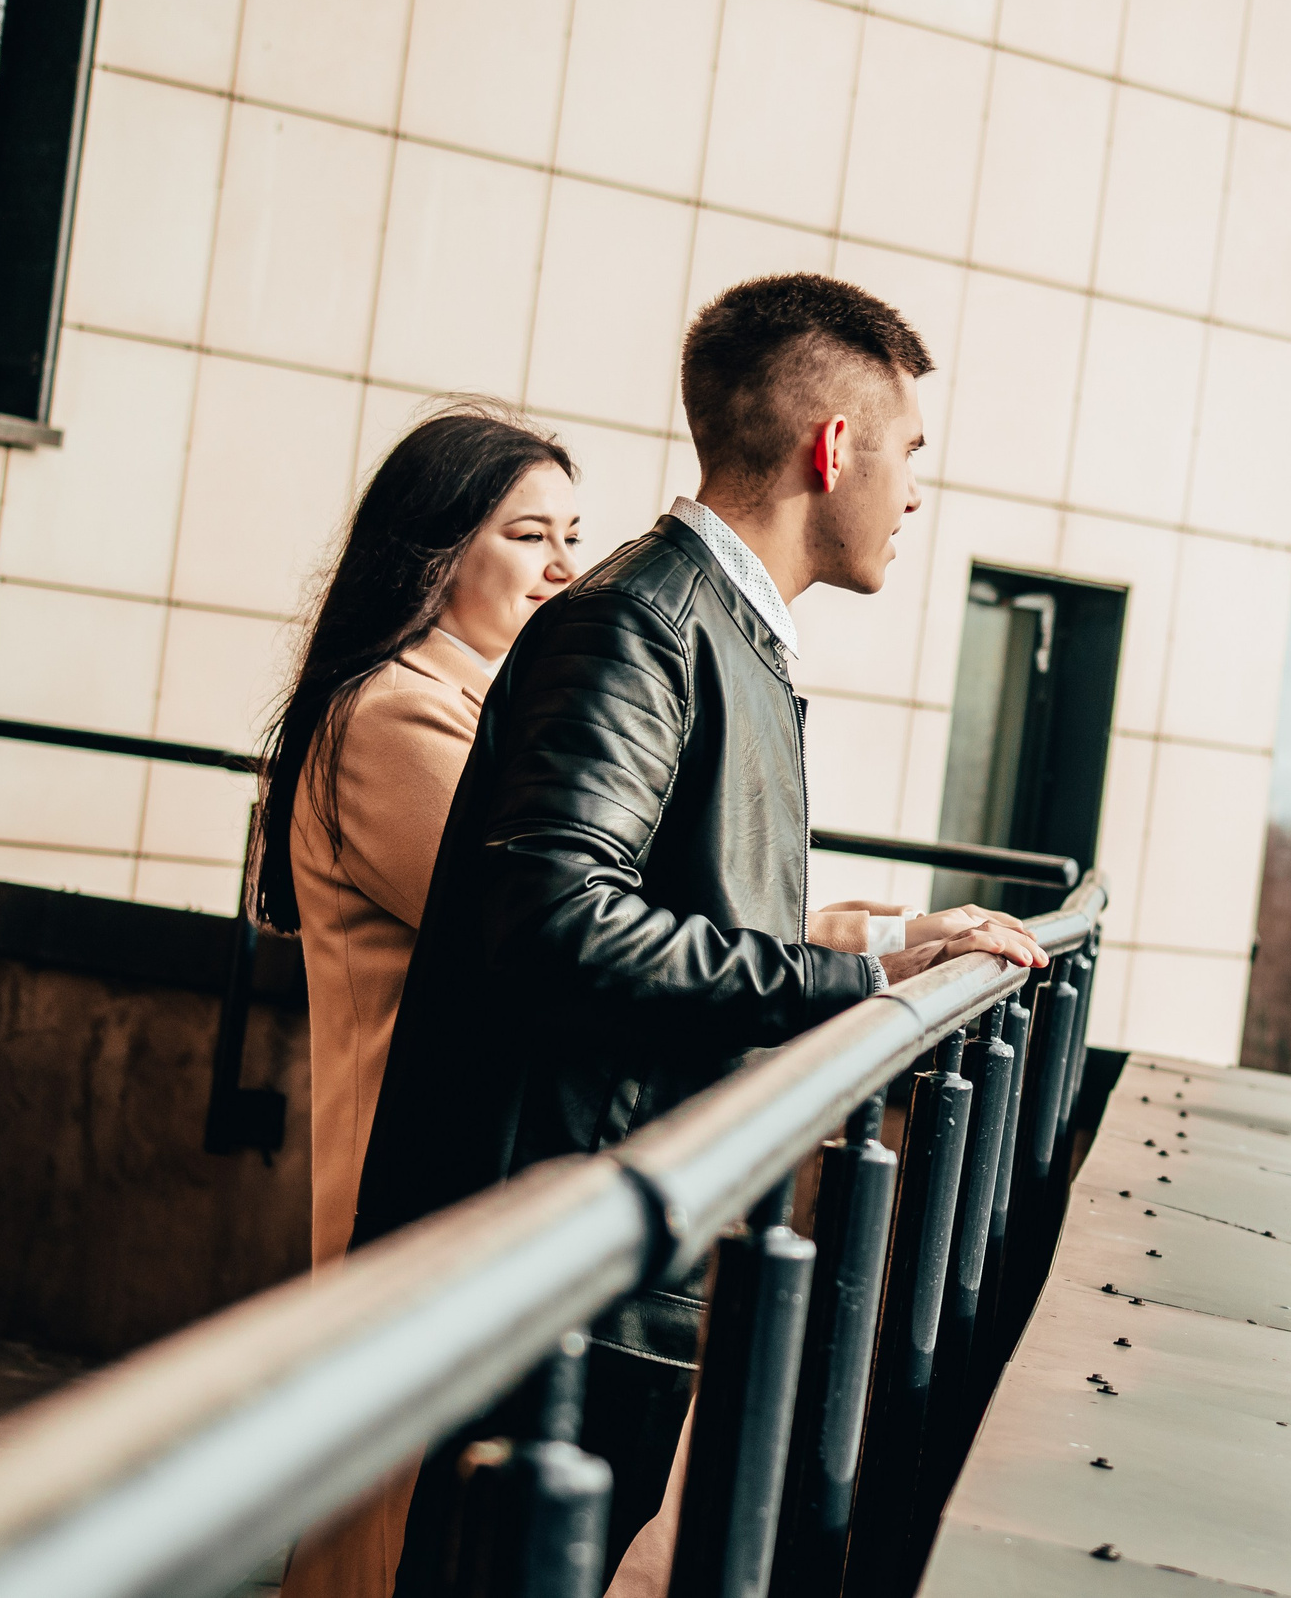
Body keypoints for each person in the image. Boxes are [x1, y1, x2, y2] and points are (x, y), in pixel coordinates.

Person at [353, 274, 1049, 1587]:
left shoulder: (709, 628)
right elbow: (562, 920)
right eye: (907, 456)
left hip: (606, 1238)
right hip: (565, 1261)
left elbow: (690, 907)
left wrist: (897, 935)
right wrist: (855, 977)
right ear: (830, 448)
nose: (913, 495)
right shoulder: (642, 624)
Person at [253, 402, 583, 1598]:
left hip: (448, 1171)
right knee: (386, 1511)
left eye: (571, 537)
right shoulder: (402, 713)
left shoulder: (471, 710)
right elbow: (550, 926)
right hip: (420, 1167)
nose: (563, 568)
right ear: (439, 554)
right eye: (530, 535)